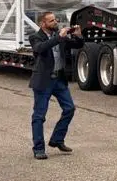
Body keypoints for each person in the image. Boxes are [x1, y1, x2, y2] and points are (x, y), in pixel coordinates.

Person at [28, 11, 84, 160]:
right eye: (51, 21)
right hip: (44, 81)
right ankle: (39, 148)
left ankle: (57, 139)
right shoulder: (35, 37)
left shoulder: (59, 36)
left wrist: (78, 35)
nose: (55, 22)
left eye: (55, 20)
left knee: (69, 108)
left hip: (59, 79)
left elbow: (78, 45)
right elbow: (40, 48)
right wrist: (59, 37)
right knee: (39, 116)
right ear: (43, 24)